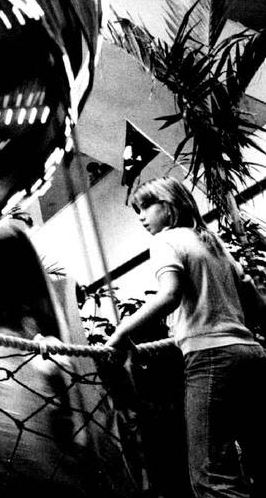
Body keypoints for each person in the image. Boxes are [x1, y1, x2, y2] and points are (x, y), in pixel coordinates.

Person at [107, 176, 266, 498]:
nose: (140, 216)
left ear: (168, 206)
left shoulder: (166, 241)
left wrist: (121, 333)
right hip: (249, 353)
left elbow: (170, 294)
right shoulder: (212, 241)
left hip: (211, 359)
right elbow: (257, 303)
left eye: (145, 207)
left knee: (212, 478)